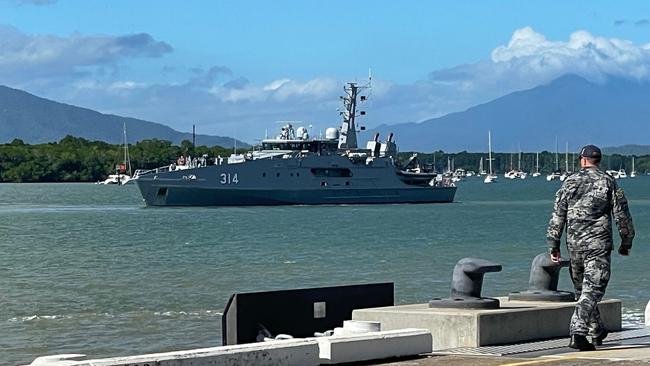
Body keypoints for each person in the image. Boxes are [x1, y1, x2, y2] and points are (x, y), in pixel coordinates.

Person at [546, 144, 635, 351]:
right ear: (598, 160)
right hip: (598, 245)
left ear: (583, 160)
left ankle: (597, 331)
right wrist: (626, 241)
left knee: (583, 291)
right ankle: (578, 331)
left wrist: (554, 244)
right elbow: (622, 216)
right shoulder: (608, 182)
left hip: (574, 244)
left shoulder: (569, 182)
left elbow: (557, 215)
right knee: (592, 290)